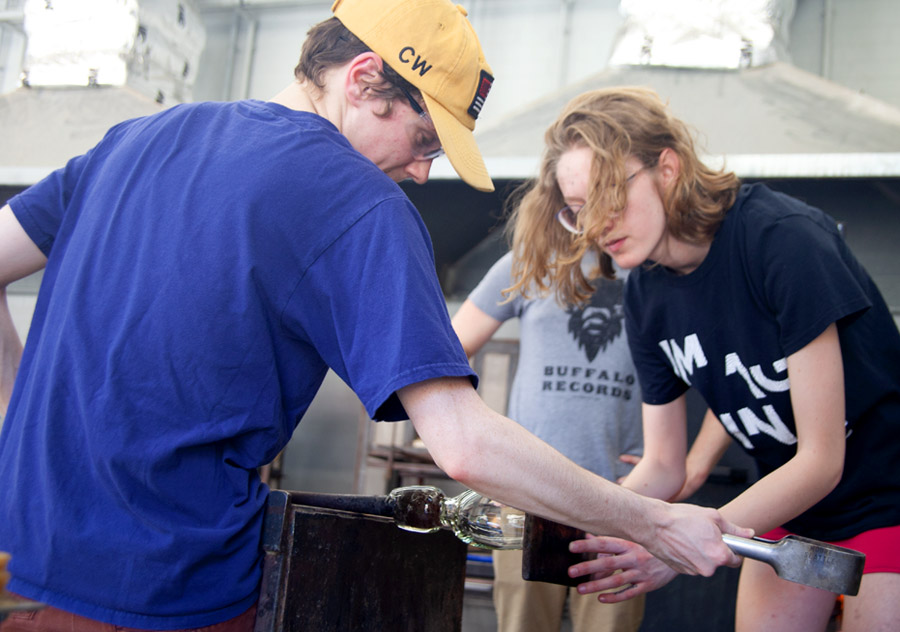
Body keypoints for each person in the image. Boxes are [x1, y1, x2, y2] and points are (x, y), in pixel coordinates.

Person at [0, 3, 751, 630]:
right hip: (164, 590)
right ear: (363, 79)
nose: (424, 171)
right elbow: (463, 445)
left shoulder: (137, 140)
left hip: (21, 559)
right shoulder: (357, 200)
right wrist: (652, 522)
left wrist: (18, 420)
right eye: (424, 140)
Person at [502, 86, 900, 632]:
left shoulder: (780, 241)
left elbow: (822, 459)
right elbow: (665, 465)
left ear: (667, 167)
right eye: (577, 211)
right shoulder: (644, 294)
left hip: (887, 495)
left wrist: (672, 544)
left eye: (609, 196)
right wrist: (585, 518)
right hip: (789, 507)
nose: (594, 225)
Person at [452, 250, 645, 632]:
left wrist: (683, 467)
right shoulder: (532, 258)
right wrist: (477, 435)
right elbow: (448, 348)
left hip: (628, 496)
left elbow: (724, 363)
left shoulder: (651, 259)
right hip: (528, 494)